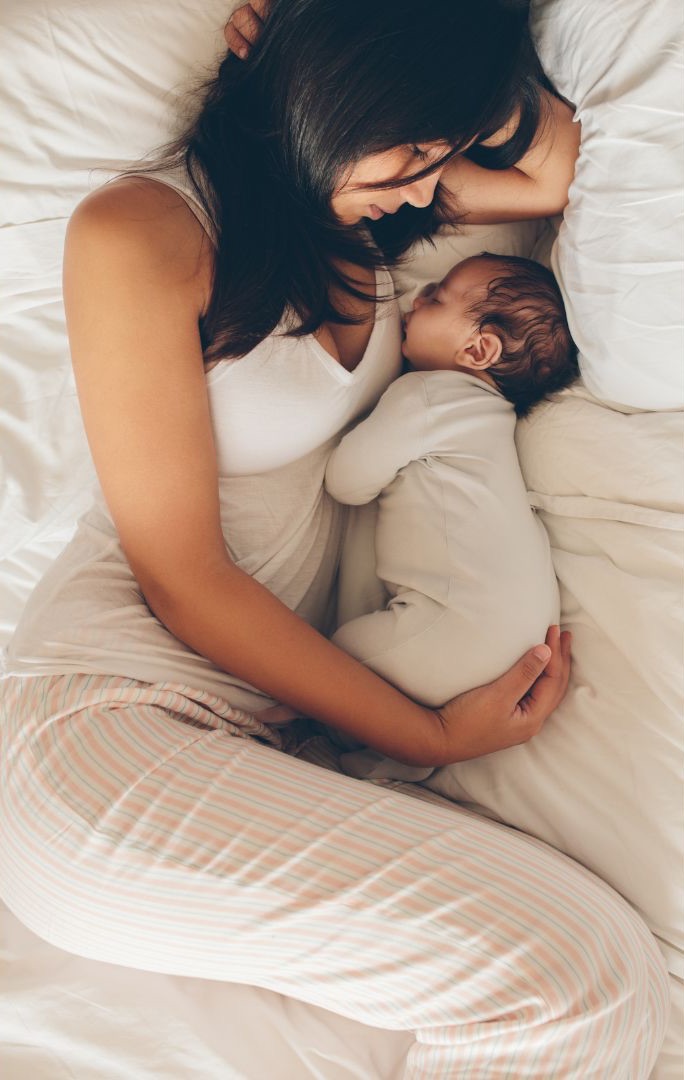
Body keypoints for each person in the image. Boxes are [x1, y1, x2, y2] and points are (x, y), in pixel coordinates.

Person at [0, 2, 668, 1076]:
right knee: (576, 985)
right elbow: (186, 580)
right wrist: (427, 736)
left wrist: (462, 85)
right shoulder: (143, 232)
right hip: (110, 729)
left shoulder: (361, 218)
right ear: (335, 76)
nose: (421, 187)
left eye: (436, 161)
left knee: (590, 982)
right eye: (411, 152)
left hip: (251, 739)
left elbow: (556, 173)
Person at [325, 252, 579, 782]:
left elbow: (345, 482)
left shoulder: (426, 394)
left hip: (460, 636)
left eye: (436, 296)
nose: (416, 300)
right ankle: (389, 765)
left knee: (330, 661)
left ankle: (343, 746)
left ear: (478, 348)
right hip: (511, 644)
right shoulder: (491, 420)